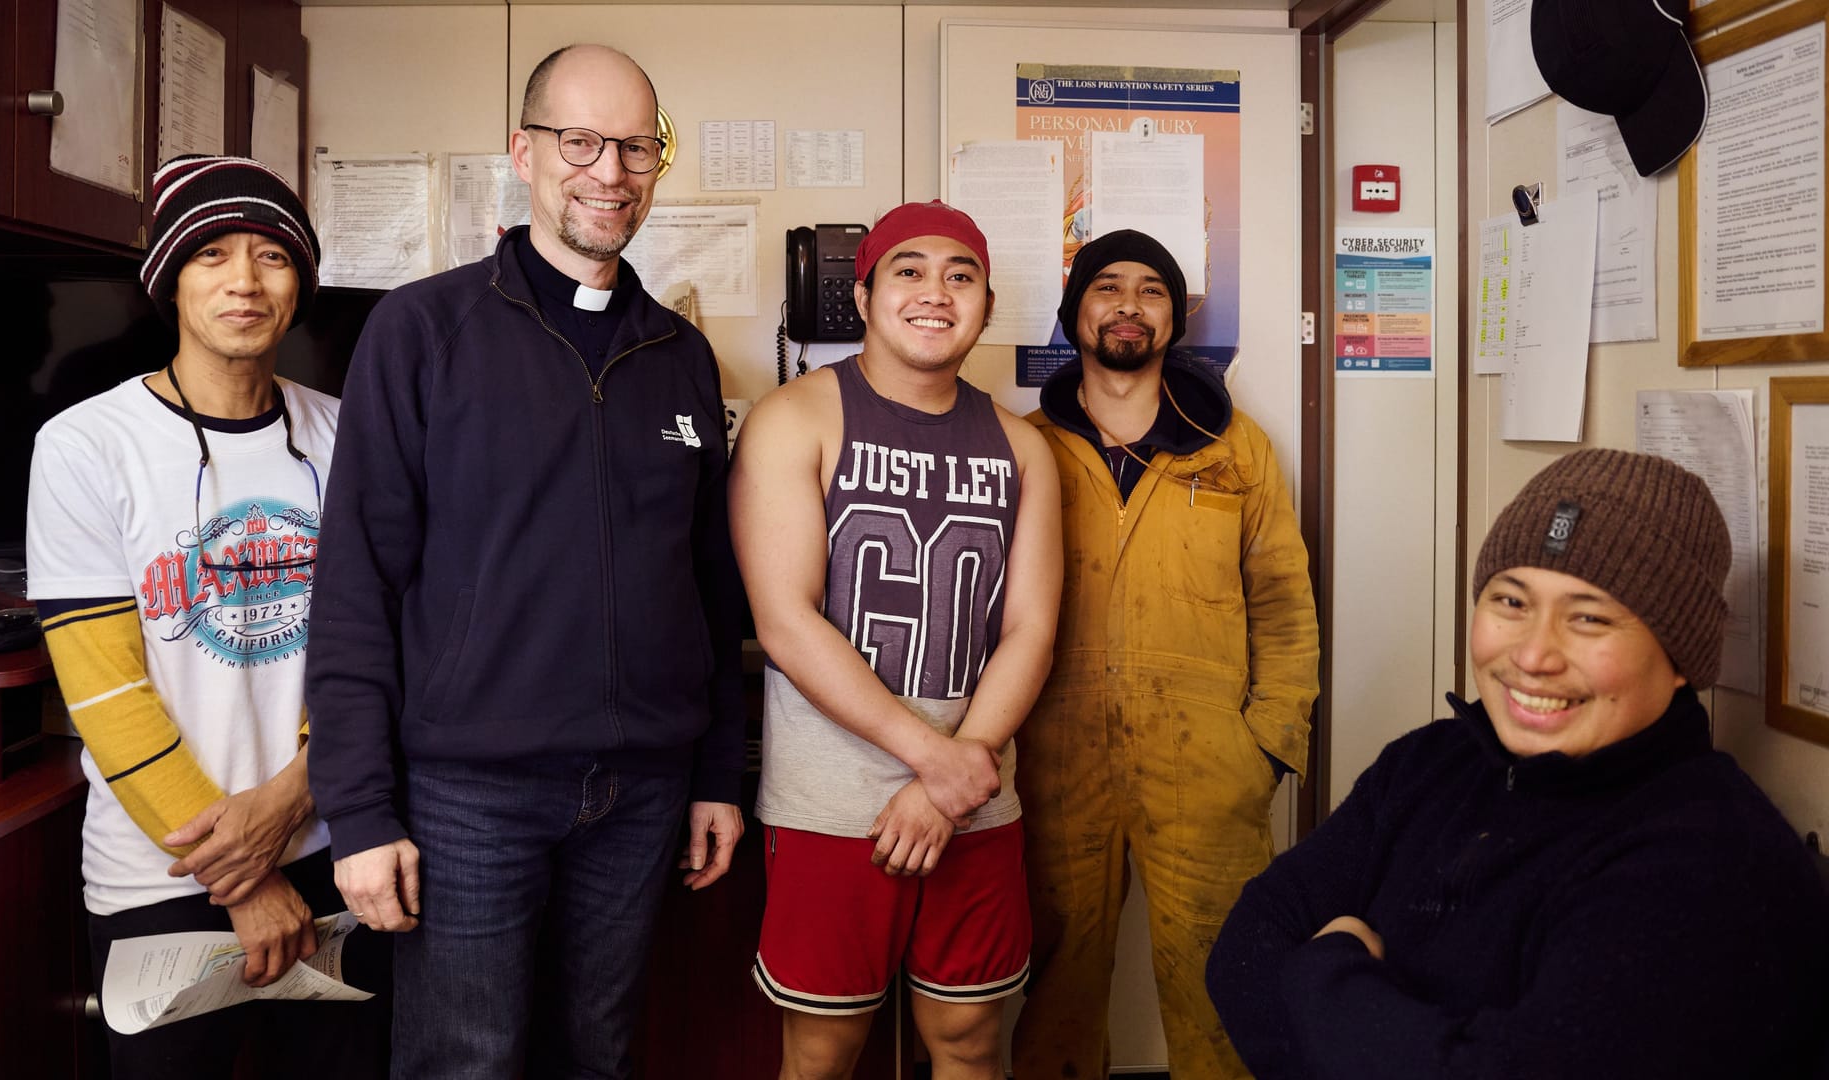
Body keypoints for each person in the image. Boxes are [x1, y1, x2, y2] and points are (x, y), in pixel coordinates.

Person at [303, 43, 747, 1078]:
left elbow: (709, 586)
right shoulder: (422, 331)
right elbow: (357, 587)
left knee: (599, 1056)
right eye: (581, 141)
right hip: (468, 795)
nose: (611, 171)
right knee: (468, 1062)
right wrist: (360, 812)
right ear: (523, 152)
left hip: (643, 790)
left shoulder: (678, 358)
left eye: (637, 146)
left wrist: (717, 773)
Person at [1206, 449, 1829, 1079]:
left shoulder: (1709, 863)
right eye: (1511, 602)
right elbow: (1244, 949)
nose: (1533, 655)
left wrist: (1327, 968)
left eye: (1589, 617)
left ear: (1682, 659)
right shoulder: (1430, 765)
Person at [27, 153, 384, 1077]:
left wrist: (296, 802)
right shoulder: (84, 447)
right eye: (213, 253)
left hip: (332, 851)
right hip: (164, 870)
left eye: (271, 256)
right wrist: (247, 874)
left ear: (300, 282)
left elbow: (380, 649)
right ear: (169, 278)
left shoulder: (349, 435)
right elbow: (107, 693)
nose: (244, 281)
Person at [731, 201, 1062, 1080]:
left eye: (962, 276)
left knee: (967, 1041)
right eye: (909, 271)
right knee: (825, 1046)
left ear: (987, 306)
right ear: (866, 292)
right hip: (833, 805)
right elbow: (785, 621)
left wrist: (963, 767)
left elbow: (1030, 627)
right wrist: (935, 761)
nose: (935, 292)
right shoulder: (793, 419)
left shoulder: (1023, 447)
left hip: (977, 796)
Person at [1010, 230, 1319, 1079]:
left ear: (1174, 320)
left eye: (1151, 291)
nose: (1127, 306)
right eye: (1107, 287)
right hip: (1052, 766)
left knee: (1224, 995)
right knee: (1053, 999)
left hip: (1209, 770)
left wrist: (1267, 745)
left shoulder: (1234, 448)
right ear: (1075, 311)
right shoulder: (1025, 445)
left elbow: (1286, 605)